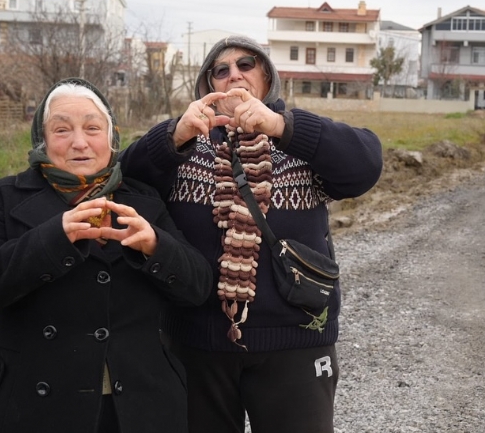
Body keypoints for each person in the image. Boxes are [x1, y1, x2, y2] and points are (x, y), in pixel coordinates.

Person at [119, 35, 383, 433]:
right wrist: (175, 134)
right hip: (197, 343)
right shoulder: (185, 146)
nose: (234, 75)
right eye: (220, 70)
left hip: (295, 343)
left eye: (246, 64)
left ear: (266, 76)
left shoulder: (296, 138)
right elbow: (126, 178)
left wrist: (280, 125)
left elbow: (365, 164)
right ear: (208, 87)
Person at [0, 78, 214, 433]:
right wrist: (52, 238)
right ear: (41, 140)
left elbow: (197, 288)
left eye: (92, 128)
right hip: (30, 406)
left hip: (140, 405)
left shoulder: (144, 200)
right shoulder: (1, 198)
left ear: (111, 138)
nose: (79, 142)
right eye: (62, 129)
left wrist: (155, 246)